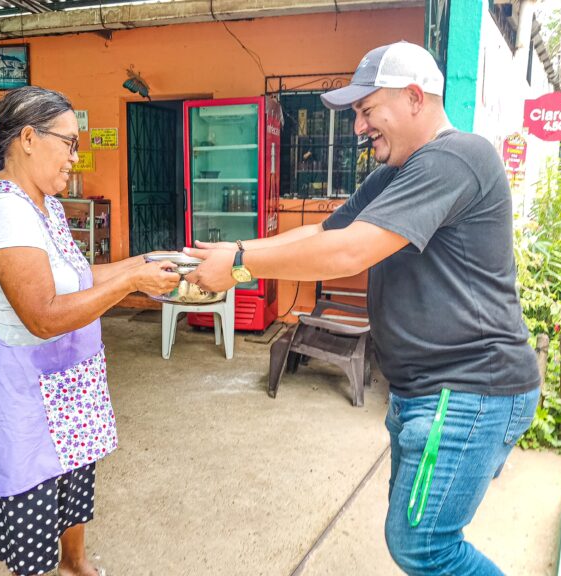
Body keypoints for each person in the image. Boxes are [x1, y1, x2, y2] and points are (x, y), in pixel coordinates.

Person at [185, 42, 540, 575]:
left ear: (415, 98)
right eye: (355, 113)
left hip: (468, 389)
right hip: (426, 391)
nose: (357, 126)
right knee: (421, 540)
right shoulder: (395, 173)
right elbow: (325, 233)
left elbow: (349, 252)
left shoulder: (458, 157)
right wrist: (239, 253)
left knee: (424, 548)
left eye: (367, 110)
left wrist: (239, 265)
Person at [0, 86, 179, 576]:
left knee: (74, 479)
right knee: (34, 494)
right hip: (23, 387)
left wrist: (147, 261)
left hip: (67, 377)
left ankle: (74, 564)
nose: (76, 156)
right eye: (69, 142)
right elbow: (44, 314)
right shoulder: (1, 213)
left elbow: (76, 277)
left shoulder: (42, 204)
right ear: (28, 138)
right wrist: (134, 283)